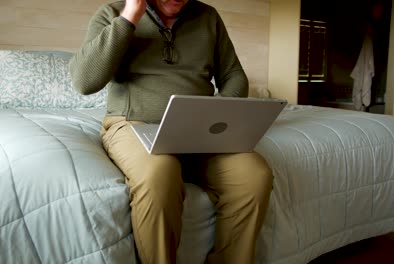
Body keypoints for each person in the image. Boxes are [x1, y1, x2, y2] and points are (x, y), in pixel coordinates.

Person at [69, 0, 273, 263]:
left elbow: (234, 75)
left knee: (254, 175)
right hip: (133, 123)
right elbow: (84, 81)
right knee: (159, 172)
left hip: (199, 128)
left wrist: (217, 112)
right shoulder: (113, 12)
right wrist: (130, 16)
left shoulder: (208, 16)